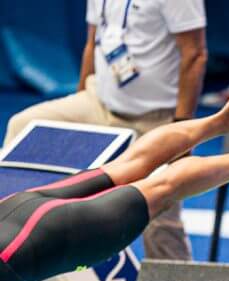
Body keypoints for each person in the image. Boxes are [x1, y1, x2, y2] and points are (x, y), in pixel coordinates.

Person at [0, 97, 229, 281]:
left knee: (163, 188)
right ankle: (224, 120)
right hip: (16, 209)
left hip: (55, 236)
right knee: (127, 165)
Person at [3, 0, 208, 261]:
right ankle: (9, 233)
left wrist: (182, 130)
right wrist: (80, 105)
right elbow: (92, 43)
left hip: (155, 119)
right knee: (23, 125)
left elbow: (195, 54)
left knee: (161, 211)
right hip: (98, 103)